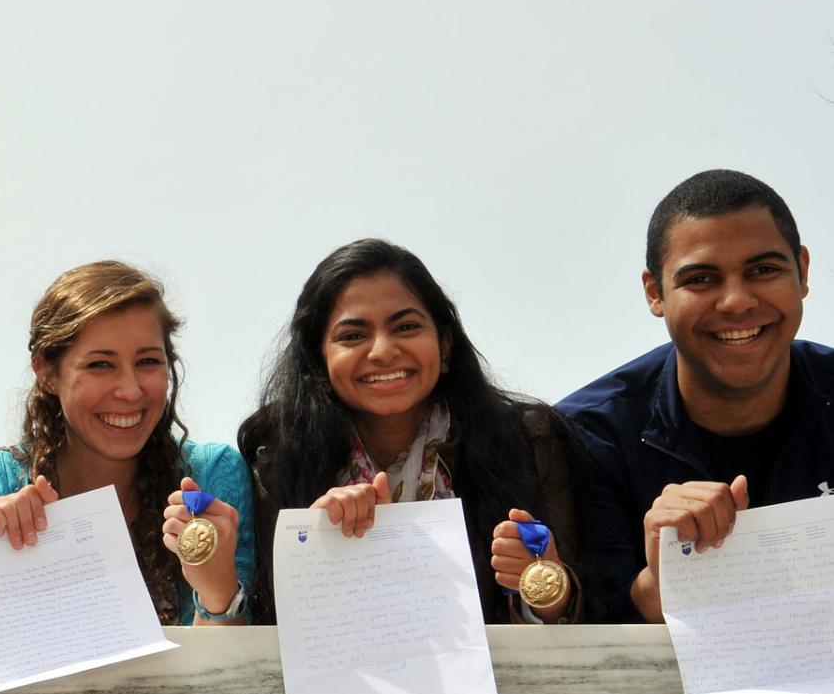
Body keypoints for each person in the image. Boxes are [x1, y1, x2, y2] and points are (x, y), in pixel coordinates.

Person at [238, 239, 594, 625]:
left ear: (444, 345)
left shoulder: (530, 442)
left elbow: (592, 612)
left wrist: (544, 585)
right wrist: (313, 545)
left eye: (406, 327)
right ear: (318, 358)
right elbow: (273, 621)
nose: (383, 351)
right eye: (353, 335)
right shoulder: (274, 454)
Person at [558, 169, 833, 623]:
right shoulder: (585, 438)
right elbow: (591, 631)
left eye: (763, 270)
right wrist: (662, 579)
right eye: (702, 279)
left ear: (802, 271)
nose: (736, 302)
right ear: (655, 293)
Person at [0, 261, 254, 624]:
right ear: (47, 374)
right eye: (101, 365)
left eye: (148, 361)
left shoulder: (213, 474)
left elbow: (235, 672)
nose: (131, 391)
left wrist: (217, 591)